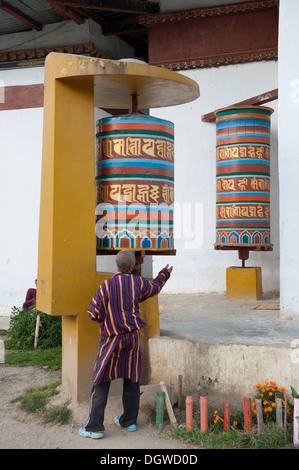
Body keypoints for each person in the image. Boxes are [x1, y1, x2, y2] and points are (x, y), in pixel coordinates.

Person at [79, 249, 173, 439]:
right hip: (132, 338)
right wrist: (165, 274)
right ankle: (129, 421)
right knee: (132, 378)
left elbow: (93, 314)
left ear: (117, 264)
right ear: (132, 266)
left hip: (111, 340)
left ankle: (95, 427)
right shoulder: (138, 283)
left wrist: (108, 319)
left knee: (101, 381)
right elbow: (154, 288)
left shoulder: (105, 286)